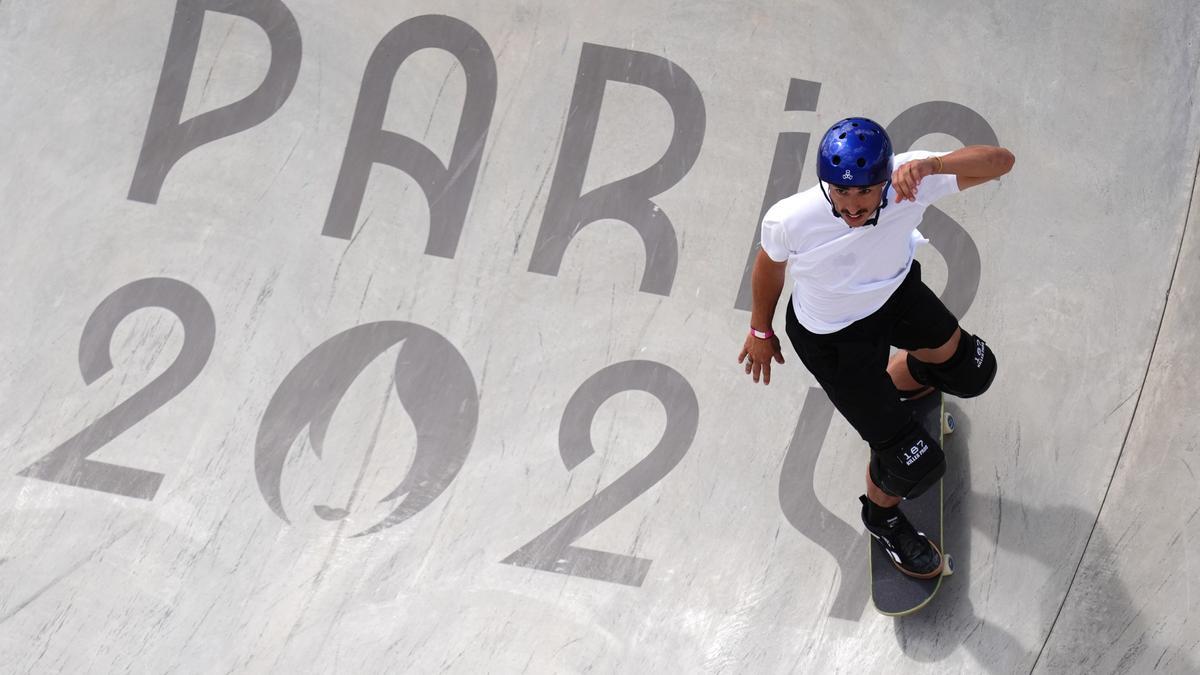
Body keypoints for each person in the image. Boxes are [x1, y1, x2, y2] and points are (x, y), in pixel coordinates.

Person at [738, 117, 1014, 578]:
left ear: (886, 178)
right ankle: (881, 518)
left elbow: (1001, 163)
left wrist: (933, 165)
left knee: (974, 372)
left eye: (865, 192)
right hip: (832, 337)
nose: (851, 206)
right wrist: (761, 330)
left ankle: (905, 381)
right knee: (918, 468)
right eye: (840, 192)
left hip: (897, 296)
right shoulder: (791, 217)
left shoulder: (912, 177)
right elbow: (769, 268)